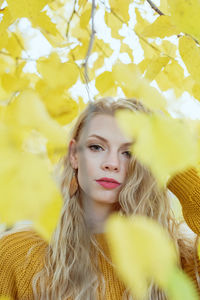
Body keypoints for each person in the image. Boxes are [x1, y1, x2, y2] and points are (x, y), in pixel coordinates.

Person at [0, 97, 200, 300]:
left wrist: (176, 165)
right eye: (96, 147)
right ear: (74, 154)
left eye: (128, 152)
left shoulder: (177, 256)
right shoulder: (19, 252)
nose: (112, 163)